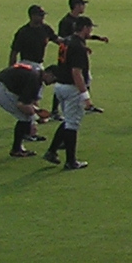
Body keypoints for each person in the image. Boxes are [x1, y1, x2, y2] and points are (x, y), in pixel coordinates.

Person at [43, 18, 95, 171]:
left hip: (60, 86)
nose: (91, 31)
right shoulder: (77, 46)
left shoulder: (67, 41)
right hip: (71, 88)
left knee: (68, 122)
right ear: (84, 28)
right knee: (72, 124)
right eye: (90, 28)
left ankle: (52, 151)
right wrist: (85, 96)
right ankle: (70, 161)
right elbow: (76, 73)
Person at [0, 60, 45, 158]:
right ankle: (17, 149)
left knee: (26, 116)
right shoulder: (35, 79)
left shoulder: (35, 74)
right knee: (24, 117)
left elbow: (26, 100)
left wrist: (36, 110)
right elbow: (22, 105)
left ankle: (21, 143)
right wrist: (34, 120)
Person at [9, 5, 55, 70]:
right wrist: (12, 69)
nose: (43, 18)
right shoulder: (23, 32)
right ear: (33, 16)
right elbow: (14, 52)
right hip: (26, 65)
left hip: (39, 64)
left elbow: (57, 40)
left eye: (43, 15)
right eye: (40, 16)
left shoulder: (46, 28)